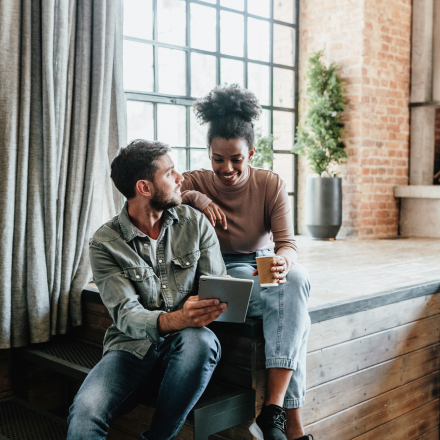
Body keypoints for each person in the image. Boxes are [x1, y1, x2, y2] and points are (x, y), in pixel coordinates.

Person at [67, 140, 228, 440]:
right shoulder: (105, 243)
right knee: (85, 412)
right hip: (130, 349)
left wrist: (211, 306)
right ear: (144, 188)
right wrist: (179, 317)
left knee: (201, 341)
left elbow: (217, 285)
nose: (181, 178)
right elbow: (126, 315)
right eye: (170, 173)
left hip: (186, 345)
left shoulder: (195, 223)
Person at [181, 85, 312, 440]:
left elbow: (286, 245)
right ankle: (288, 424)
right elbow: (165, 193)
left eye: (236, 159)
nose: (227, 168)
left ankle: (271, 411)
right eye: (218, 159)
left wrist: (283, 262)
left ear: (251, 153)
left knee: (296, 283)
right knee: (294, 316)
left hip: (261, 261)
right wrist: (196, 198)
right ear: (209, 153)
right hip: (223, 266)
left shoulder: (270, 184)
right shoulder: (196, 181)